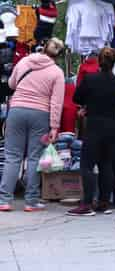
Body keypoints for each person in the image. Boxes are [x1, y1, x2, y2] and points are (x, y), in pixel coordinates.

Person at [0, 38, 65, 212]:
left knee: (12, 156)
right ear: (58, 55)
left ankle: (4, 200)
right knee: (34, 158)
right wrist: (54, 126)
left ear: (43, 48)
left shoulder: (25, 61)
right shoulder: (57, 72)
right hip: (40, 115)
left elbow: (12, 84)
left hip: (17, 110)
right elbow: (56, 102)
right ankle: (31, 201)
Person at [67, 47, 115, 216]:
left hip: (94, 125)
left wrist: (87, 105)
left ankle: (87, 203)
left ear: (99, 61)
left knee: (87, 164)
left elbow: (77, 97)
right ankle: (104, 201)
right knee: (106, 163)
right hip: (112, 125)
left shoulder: (90, 79)